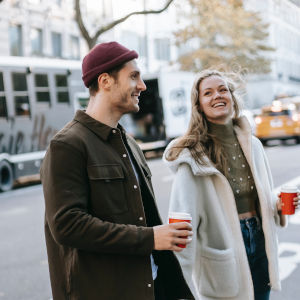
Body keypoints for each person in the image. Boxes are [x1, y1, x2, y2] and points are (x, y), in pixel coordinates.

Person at [40, 41, 194, 300]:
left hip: (151, 287)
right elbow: (67, 225)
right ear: (105, 81)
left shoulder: (130, 142)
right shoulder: (67, 145)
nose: (142, 86)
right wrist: (150, 238)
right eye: (134, 76)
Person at [163, 69, 299, 300]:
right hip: (222, 250)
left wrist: (277, 207)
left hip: (259, 239)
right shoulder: (192, 156)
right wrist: (178, 287)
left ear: (232, 98)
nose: (217, 95)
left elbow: (262, 197)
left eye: (223, 89)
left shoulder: (253, 145)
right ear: (199, 105)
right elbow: (181, 225)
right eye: (208, 93)